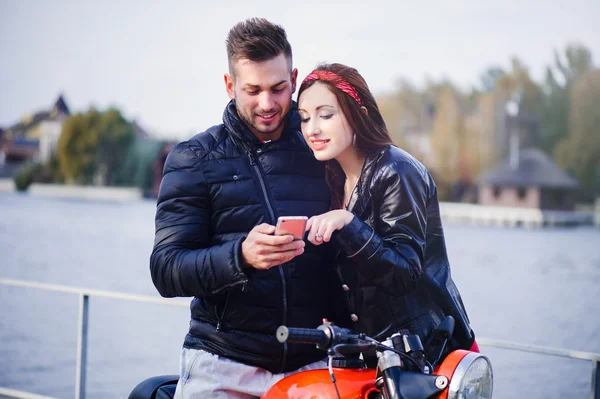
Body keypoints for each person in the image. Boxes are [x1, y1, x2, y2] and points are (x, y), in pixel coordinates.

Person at [150, 18, 333, 398]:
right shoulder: (193, 158)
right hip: (222, 364)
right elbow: (166, 270)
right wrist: (241, 255)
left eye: (278, 88)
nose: (267, 104)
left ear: (294, 78)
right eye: (252, 90)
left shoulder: (325, 150)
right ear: (229, 85)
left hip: (314, 363)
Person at [296, 63, 478, 363]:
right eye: (304, 118)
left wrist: (349, 224)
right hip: (368, 354)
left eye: (325, 115)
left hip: (427, 352)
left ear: (359, 114)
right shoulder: (332, 177)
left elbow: (404, 275)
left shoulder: (397, 171)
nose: (312, 128)